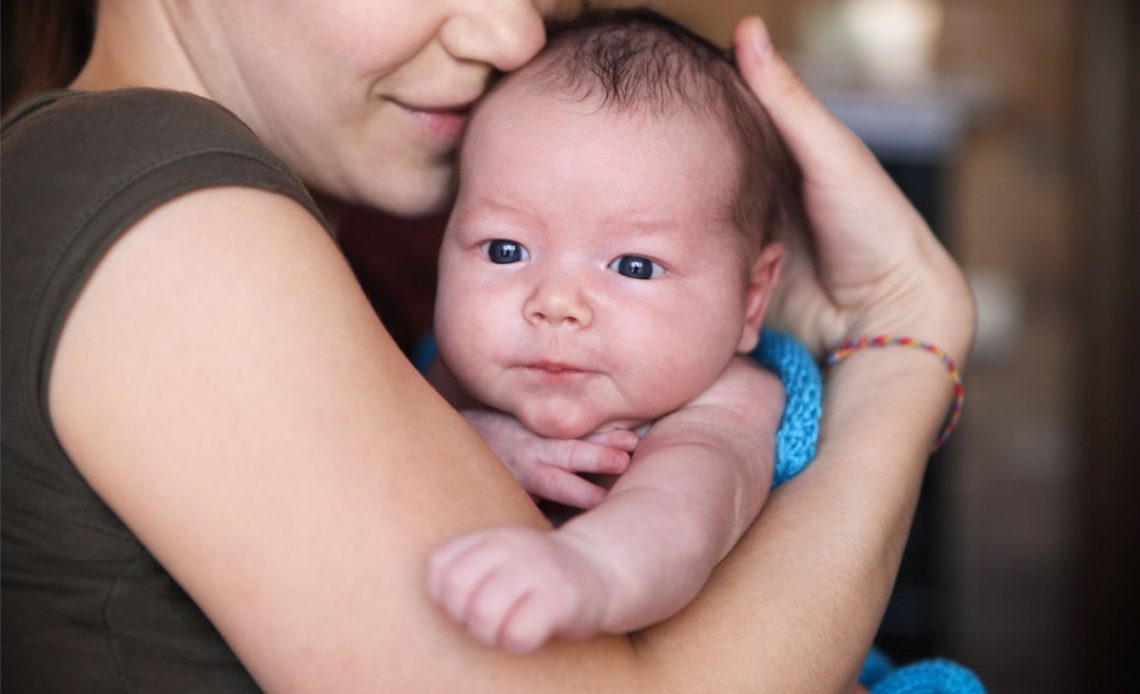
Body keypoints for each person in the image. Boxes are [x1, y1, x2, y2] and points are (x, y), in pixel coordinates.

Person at [1, 1, 975, 692]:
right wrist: (905, 344)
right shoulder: (167, 210)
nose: (515, 31)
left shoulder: (347, 240)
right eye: (507, 249)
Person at [426, 9, 802, 655]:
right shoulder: (448, 373)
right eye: (505, 250)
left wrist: (589, 569)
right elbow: (403, 427)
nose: (556, 304)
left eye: (634, 266)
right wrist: (481, 442)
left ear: (750, 299)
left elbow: (677, 519)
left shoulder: (725, 406)